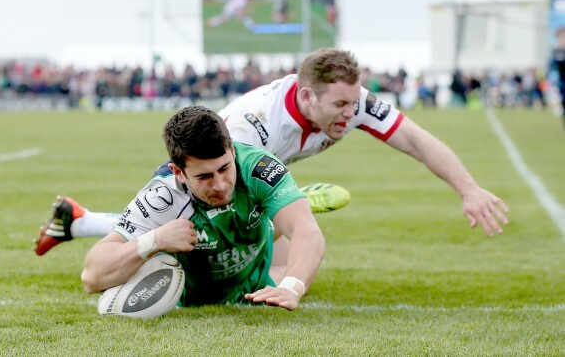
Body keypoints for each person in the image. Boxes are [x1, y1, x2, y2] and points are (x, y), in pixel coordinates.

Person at [35, 48, 509, 257]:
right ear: (306, 97)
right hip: (208, 167)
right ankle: (77, 223)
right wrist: (293, 203)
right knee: (196, 236)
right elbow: (226, 187)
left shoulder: (351, 101)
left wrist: (468, 189)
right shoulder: (256, 121)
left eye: (355, 101)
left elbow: (415, 139)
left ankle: (74, 219)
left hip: (248, 171)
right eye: (341, 105)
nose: (352, 113)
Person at [81, 106, 325, 310]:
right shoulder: (162, 196)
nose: (219, 185)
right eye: (204, 176)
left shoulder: (258, 167)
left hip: (257, 286)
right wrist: (153, 241)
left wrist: (292, 287)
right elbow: (91, 278)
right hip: (189, 302)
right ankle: (284, 208)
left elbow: (308, 232)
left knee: (287, 239)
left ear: (231, 150)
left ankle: (285, 207)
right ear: (179, 172)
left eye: (224, 168)